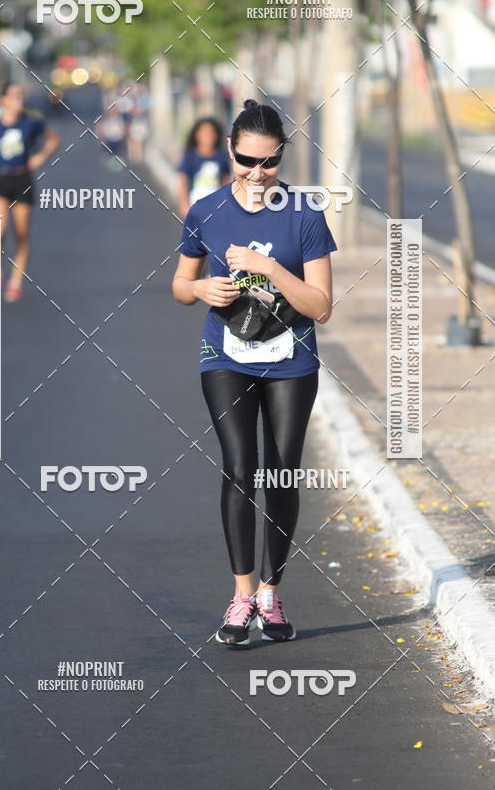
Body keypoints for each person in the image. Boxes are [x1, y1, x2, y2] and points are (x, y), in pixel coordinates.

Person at [172, 99, 337, 647]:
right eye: (247, 160)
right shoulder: (206, 210)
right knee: (240, 469)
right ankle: (241, 597)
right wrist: (200, 288)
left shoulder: (305, 213)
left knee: (281, 473)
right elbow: (179, 286)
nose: (257, 173)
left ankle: (271, 594)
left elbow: (321, 306)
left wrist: (269, 268)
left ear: (282, 156)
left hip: (291, 360)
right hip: (225, 356)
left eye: (269, 162)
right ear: (230, 150)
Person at [0, 82, 59, 302]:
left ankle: (15, 282)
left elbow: (53, 138)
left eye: (21, 95)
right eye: (14, 95)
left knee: (21, 233)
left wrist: (41, 156)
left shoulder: (31, 122)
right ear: (3, 100)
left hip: (22, 179)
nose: (19, 99)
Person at [177, 117, 230, 219]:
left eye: (211, 133)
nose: (208, 136)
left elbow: (225, 180)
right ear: (197, 135)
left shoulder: (221, 156)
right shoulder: (190, 156)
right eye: (205, 133)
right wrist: (184, 204)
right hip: (195, 204)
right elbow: (183, 179)